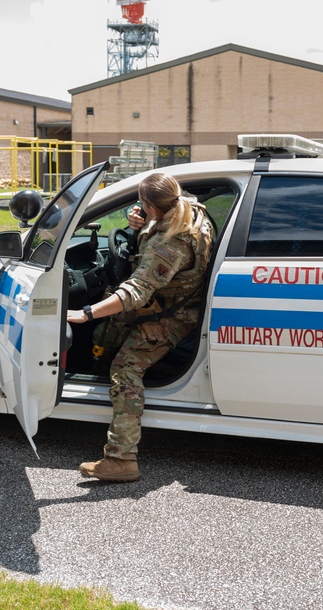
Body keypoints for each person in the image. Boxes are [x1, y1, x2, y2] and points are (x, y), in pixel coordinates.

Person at [67, 172, 214, 481]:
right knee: (108, 333)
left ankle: (121, 459)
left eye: (142, 204)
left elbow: (134, 292)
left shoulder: (169, 245)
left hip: (173, 317)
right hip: (174, 302)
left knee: (125, 369)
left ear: (151, 205)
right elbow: (162, 223)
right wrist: (140, 224)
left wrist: (86, 313)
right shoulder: (191, 210)